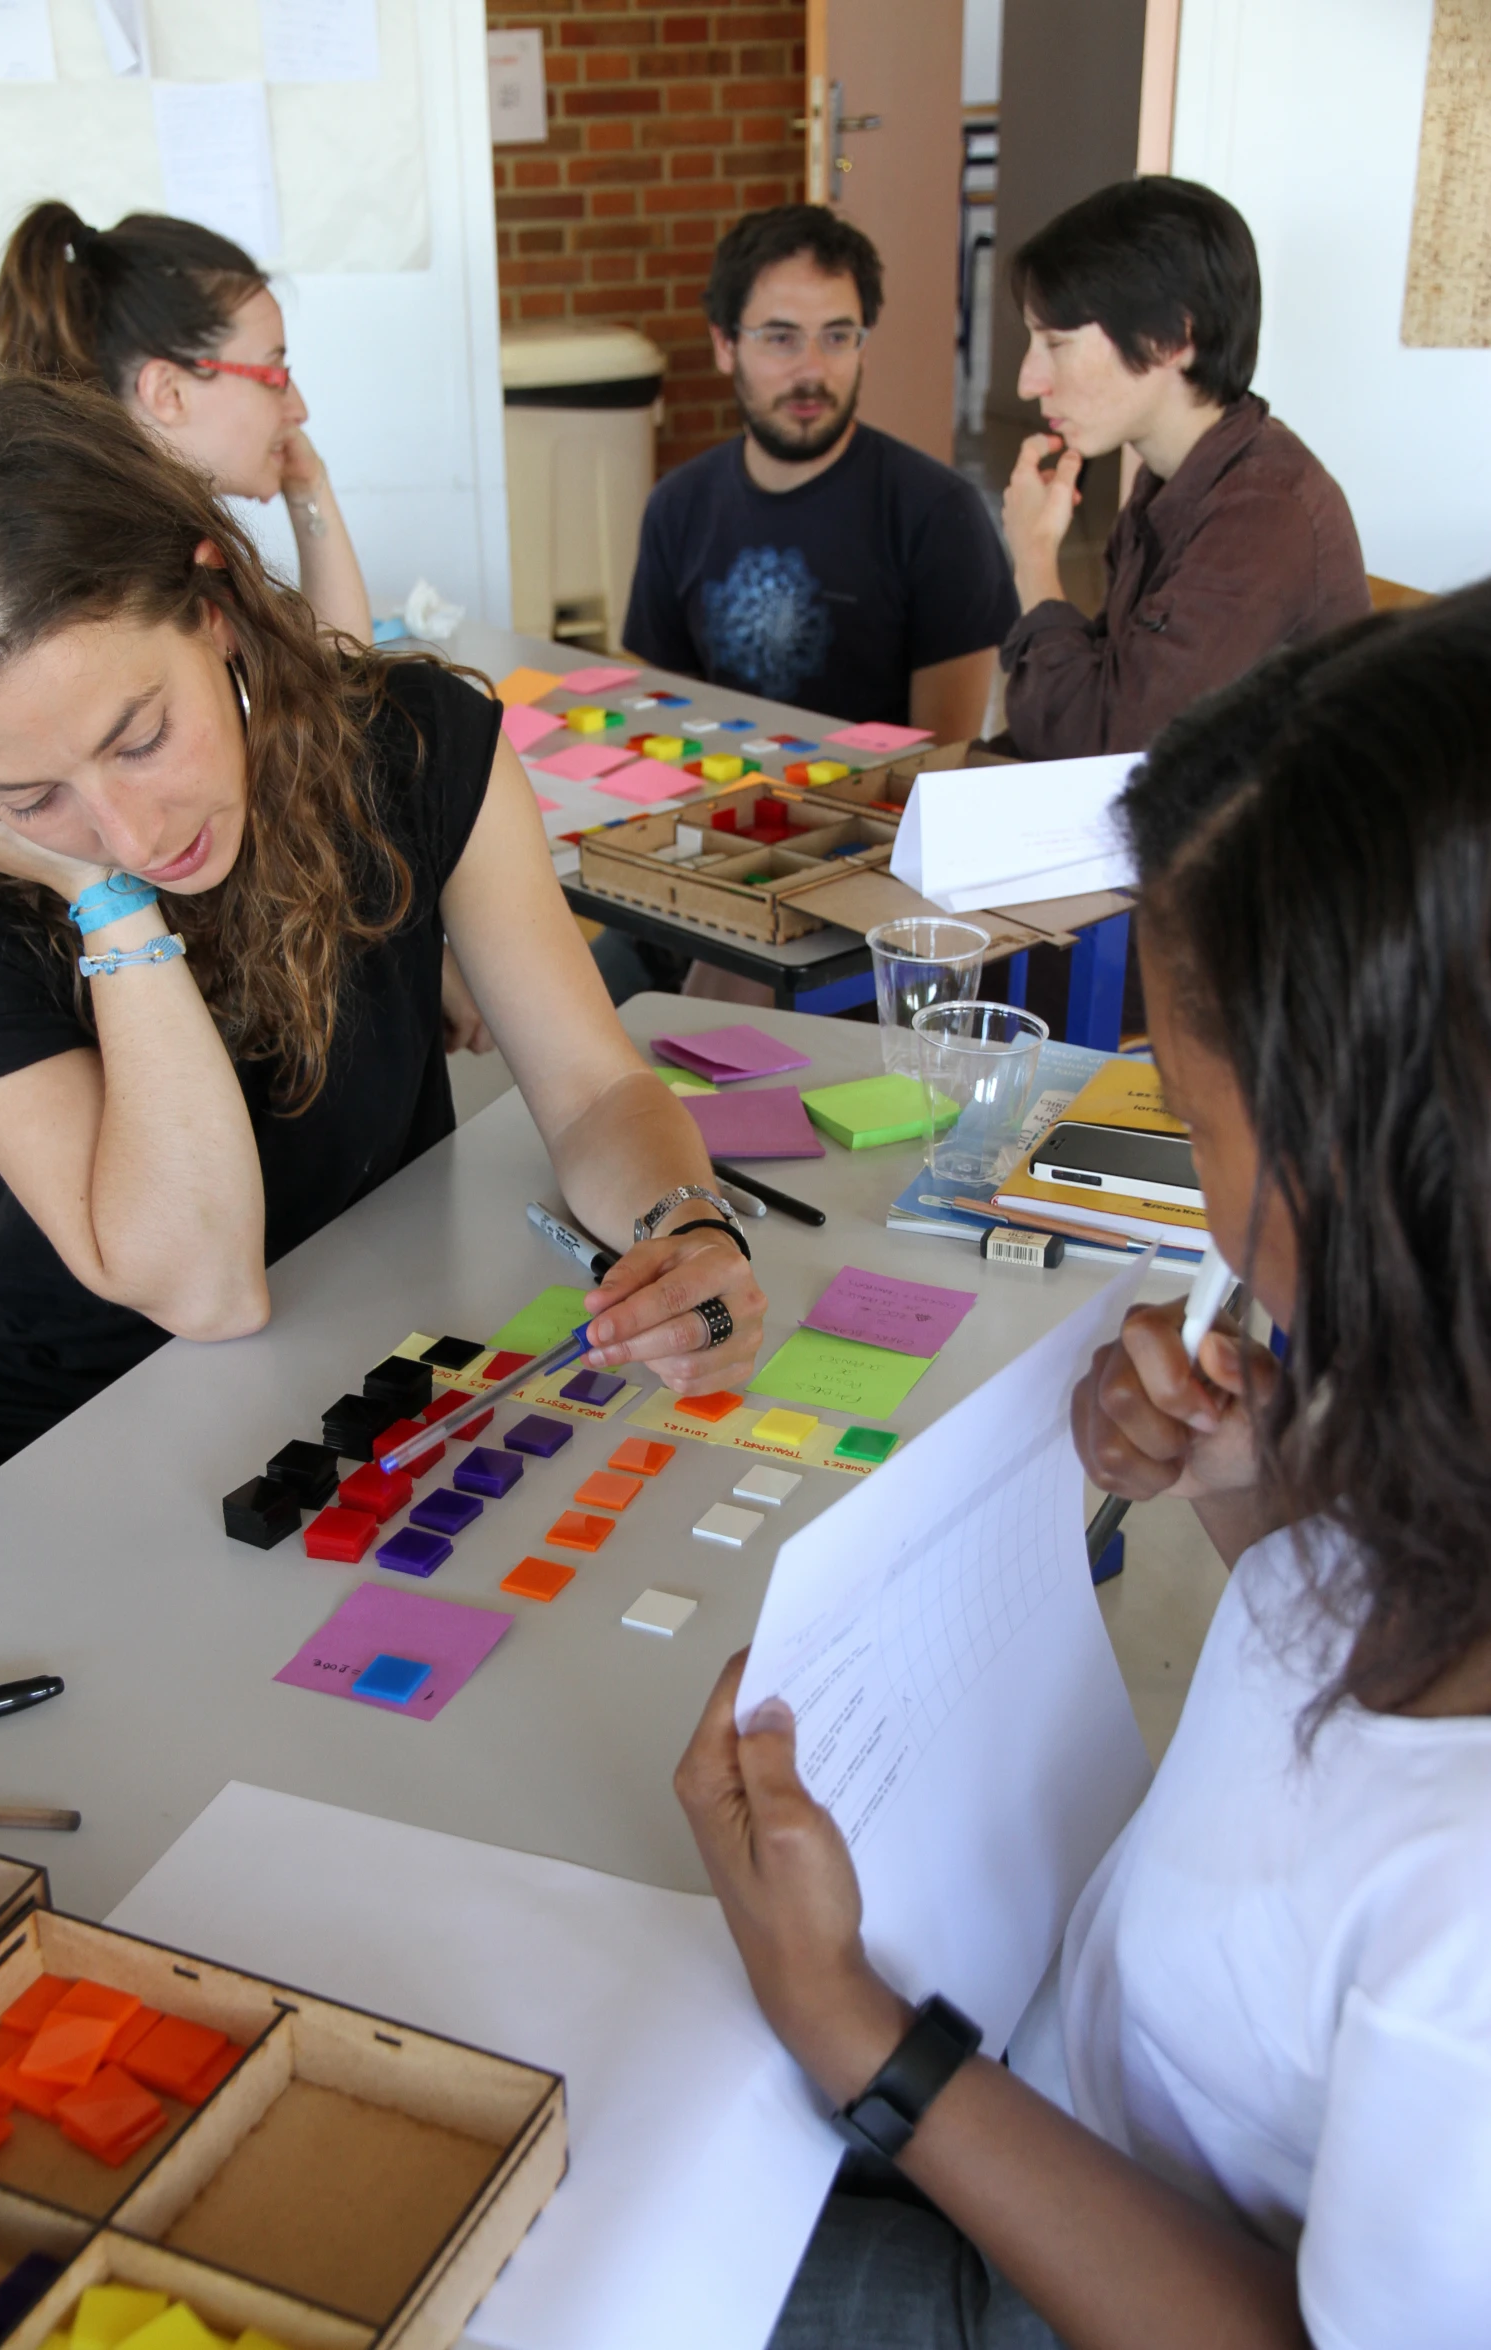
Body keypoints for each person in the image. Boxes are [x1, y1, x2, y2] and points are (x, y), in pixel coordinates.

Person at [676, 590, 1491, 2349]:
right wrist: (1263, 1495)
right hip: (1052, 2078)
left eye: (1189, 1125)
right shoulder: (1431, 1458)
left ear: (1385, 1165)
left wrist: (859, 2040)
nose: (1193, 1198)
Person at [0, 374, 766, 1518]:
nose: (131, 831)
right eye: (31, 794)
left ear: (211, 601)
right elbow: (204, 1284)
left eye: (142, 736)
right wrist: (104, 903)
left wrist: (685, 1224)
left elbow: (590, 1092)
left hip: (343, 1382)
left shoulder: (412, 747)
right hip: (31, 1439)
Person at [1000, 177, 1370, 761]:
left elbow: (1101, 750)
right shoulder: (1170, 479)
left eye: (1057, 344)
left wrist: (1034, 560)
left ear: (1172, 338)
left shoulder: (1266, 511)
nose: (1029, 381)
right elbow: (1091, 699)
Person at [624, 204, 1018, 744]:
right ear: (725, 344)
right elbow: (663, 723)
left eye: (837, 337)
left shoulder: (938, 515)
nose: (811, 371)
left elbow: (939, 768)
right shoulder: (677, 506)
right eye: (781, 338)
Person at [0, 201, 371, 647]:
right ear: (168, 392)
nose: (298, 409)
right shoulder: (132, 594)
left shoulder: (149, 542)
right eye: (274, 375)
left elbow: (336, 683)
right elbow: (344, 696)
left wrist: (307, 487)